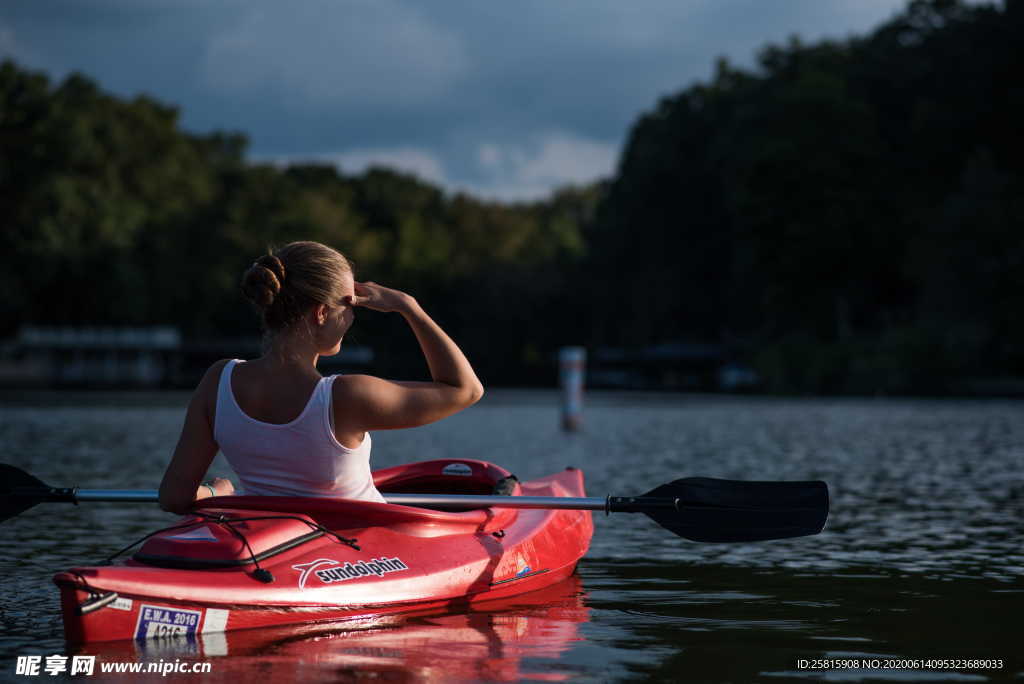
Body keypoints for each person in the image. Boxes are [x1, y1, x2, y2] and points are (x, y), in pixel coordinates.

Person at [158, 241, 484, 514]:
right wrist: (409, 308)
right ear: (322, 313)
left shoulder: (218, 380)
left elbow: (174, 497)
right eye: (350, 303)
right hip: (358, 557)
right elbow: (465, 389)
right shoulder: (346, 396)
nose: (354, 315)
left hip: (274, 548)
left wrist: (219, 495)